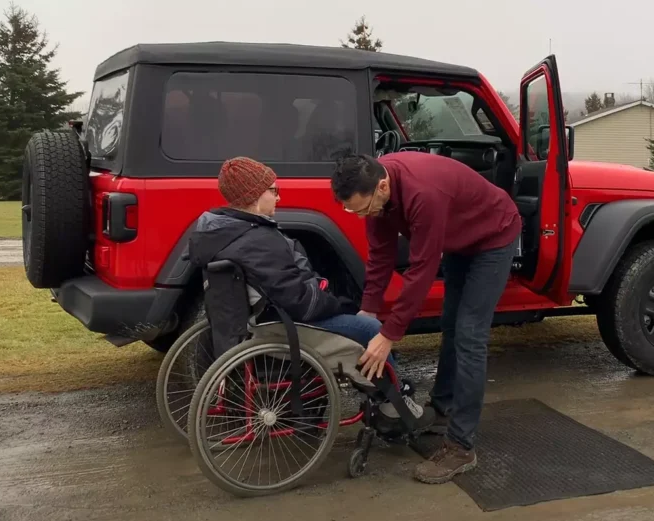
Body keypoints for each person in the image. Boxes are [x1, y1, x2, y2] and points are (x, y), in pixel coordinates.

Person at [187, 156, 433, 430]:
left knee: (355, 317)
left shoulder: (220, 230)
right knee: (369, 327)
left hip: (254, 317)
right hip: (281, 322)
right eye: (273, 190)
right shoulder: (257, 240)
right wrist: (334, 301)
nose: (278, 198)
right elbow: (301, 303)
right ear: (254, 196)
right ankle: (395, 404)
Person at [330, 152, 521, 485]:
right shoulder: (376, 192)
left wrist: (389, 334)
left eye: (364, 208)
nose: (363, 215)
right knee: (451, 322)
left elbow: (421, 271)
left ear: (383, 186)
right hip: (461, 240)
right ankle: (444, 406)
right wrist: (368, 312)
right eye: (353, 210)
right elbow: (380, 257)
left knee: (469, 334)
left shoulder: (423, 194)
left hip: (494, 235)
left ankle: (462, 447)